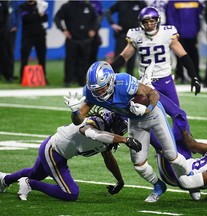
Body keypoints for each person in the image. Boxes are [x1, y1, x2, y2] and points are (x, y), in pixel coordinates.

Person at [64, 61, 192, 203]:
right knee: (139, 164)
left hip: (154, 114)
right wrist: (75, 111)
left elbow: (153, 94)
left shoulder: (124, 82)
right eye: (96, 90)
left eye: (102, 88)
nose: (99, 92)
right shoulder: (91, 93)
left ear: (111, 80)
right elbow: (78, 121)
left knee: (171, 156)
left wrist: (147, 109)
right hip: (135, 120)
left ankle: (191, 178)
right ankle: (158, 186)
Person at [0, 107, 142, 201]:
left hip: (57, 153)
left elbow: (108, 157)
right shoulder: (95, 123)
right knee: (71, 193)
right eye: (121, 128)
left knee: (36, 173)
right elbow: (90, 132)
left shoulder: (106, 136)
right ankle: (29, 184)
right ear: (112, 121)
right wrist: (124, 140)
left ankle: (4, 180)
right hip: (53, 151)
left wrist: (120, 181)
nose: (121, 131)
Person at [111, 6, 201, 107]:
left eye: (152, 21)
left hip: (165, 79)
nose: (149, 24)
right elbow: (124, 57)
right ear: (141, 22)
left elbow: (183, 56)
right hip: (146, 82)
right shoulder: (135, 35)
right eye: (146, 21)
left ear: (158, 20)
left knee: (178, 113)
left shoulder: (167, 33)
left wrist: (194, 76)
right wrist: (108, 71)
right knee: (144, 114)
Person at [54, 1, 98, 87]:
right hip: (72, 39)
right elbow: (57, 18)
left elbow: (96, 19)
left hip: (86, 40)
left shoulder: (88, 6)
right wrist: (63, 30)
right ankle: (68, 81)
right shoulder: (67, 6)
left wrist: (94, 29)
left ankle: (83, 81)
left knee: (85, 61)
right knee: (70, 60)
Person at [105, 0, 146, 75]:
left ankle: (130, 78)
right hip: (122, 34)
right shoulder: (121, 2)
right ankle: (114, 77)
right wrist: (112, 24)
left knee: (132, 58)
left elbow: (147, 17)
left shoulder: (141, 4)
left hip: (135, 36)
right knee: (119, 56)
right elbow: (108, 12)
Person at [166, 0, 202, 83]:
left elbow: (198, 16)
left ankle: (195, 75)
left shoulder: (195, 1)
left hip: (192, 32)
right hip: (180, 33)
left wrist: (197, 29)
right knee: (180, 55)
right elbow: (171, 17)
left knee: (194, 55)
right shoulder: (173, 2)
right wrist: (174, 32)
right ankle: (180, 75)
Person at [19, 0, 48, 84]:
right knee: (24, 57)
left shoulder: (42, 5)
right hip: (27, 36)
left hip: (40, 35)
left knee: (42, 57)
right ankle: (22, 78)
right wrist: (38, 14)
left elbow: (45, 18)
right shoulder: (22, 6)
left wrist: (36, 15)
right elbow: (25, 19)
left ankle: (43, 78)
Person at [89, 0, 103, 65]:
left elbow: (100, 16)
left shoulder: (97, 2)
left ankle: (93, 72)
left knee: (93, 55)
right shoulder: (84, 2)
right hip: (83, 33)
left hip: (94, 33)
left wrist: (94, 29)